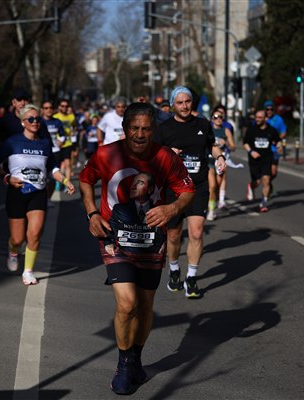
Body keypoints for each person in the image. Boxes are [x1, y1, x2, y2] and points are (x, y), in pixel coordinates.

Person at [79, 102, 195, 395]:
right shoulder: (106, 153)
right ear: (125, 128)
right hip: (115, 240)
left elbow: (187, 190)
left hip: (151, 241)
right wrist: (92, 214)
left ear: (153, 129)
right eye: (134, 128)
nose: (140, 134)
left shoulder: (165, 157)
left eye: (146, 129)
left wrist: (171, 208)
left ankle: (135, 359)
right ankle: (122, 365)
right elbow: (85, 179)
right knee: (127, 304)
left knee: (145, 305)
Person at [153, 86, 226, 299]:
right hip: (173, 188)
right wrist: (167, 152)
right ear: (173, 105)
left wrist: (220, 157)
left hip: (197, 186)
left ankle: (192, 278)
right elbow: (152, 155)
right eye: (180, 103)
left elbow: (212, 145)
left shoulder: (202, 124)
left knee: (196, 232)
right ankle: (174, 268)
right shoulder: (164, 129)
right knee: (174, 236)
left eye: (187, 101)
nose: (185, 106)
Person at [0, 104, 75, 283]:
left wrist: (65, 180)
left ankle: (28, 271)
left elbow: (52, 168)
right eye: (31, 119)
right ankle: (13, 251)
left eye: (37, 119)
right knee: (17, 238)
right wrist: (6, 177)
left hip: (38, 193)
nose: (35, 122)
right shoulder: (12, 142)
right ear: (23, 122)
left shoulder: (44, 143)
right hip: (17, 193)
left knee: (35, 234)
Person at [243, 110, 282, 212]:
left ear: (265, 118)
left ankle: (263, 203)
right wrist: (251, 152)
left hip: (266, 159)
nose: (257, 119)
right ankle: (251, 186)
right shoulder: (251, 130)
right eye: (256, 117)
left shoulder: (271, 130)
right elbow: (245, 143)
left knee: (266, 180)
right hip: (254, 160)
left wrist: (279, 146)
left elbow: (278, 140)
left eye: (260, 117)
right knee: (257, 182)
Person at [207, 109, 236, 221]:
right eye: (216, 117)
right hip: (209, 161)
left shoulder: (226, 130)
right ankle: (211, 211)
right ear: (212, 119)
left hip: (221, 162)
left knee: (217, 187)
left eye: (220, 117)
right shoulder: (208, 129)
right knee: (212, 186)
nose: (218, 119)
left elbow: (233, 147)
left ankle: (212, 206)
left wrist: (227, 143)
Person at [264, 100, 287, 192]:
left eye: (271, 109)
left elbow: (283, 132)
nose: (269, 111)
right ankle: (266, 186)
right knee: (264, 171)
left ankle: (268, 183)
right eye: (267, 109)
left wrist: (277, 139)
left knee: (273, 172)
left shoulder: (278, 119)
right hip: (263, 150)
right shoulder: (262, 119)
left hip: (274, 149)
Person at [53, 99, 75, 183]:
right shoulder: (55, 117)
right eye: (62, 106)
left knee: (68, 164)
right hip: (57, 144)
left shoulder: (71, 117)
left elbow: (74, 126)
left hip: (67, 143)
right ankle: (59, 181)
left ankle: (68, 184)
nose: (64, 108)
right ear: (59, 107)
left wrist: (72, 131)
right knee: (59, 165)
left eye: (66, 106)